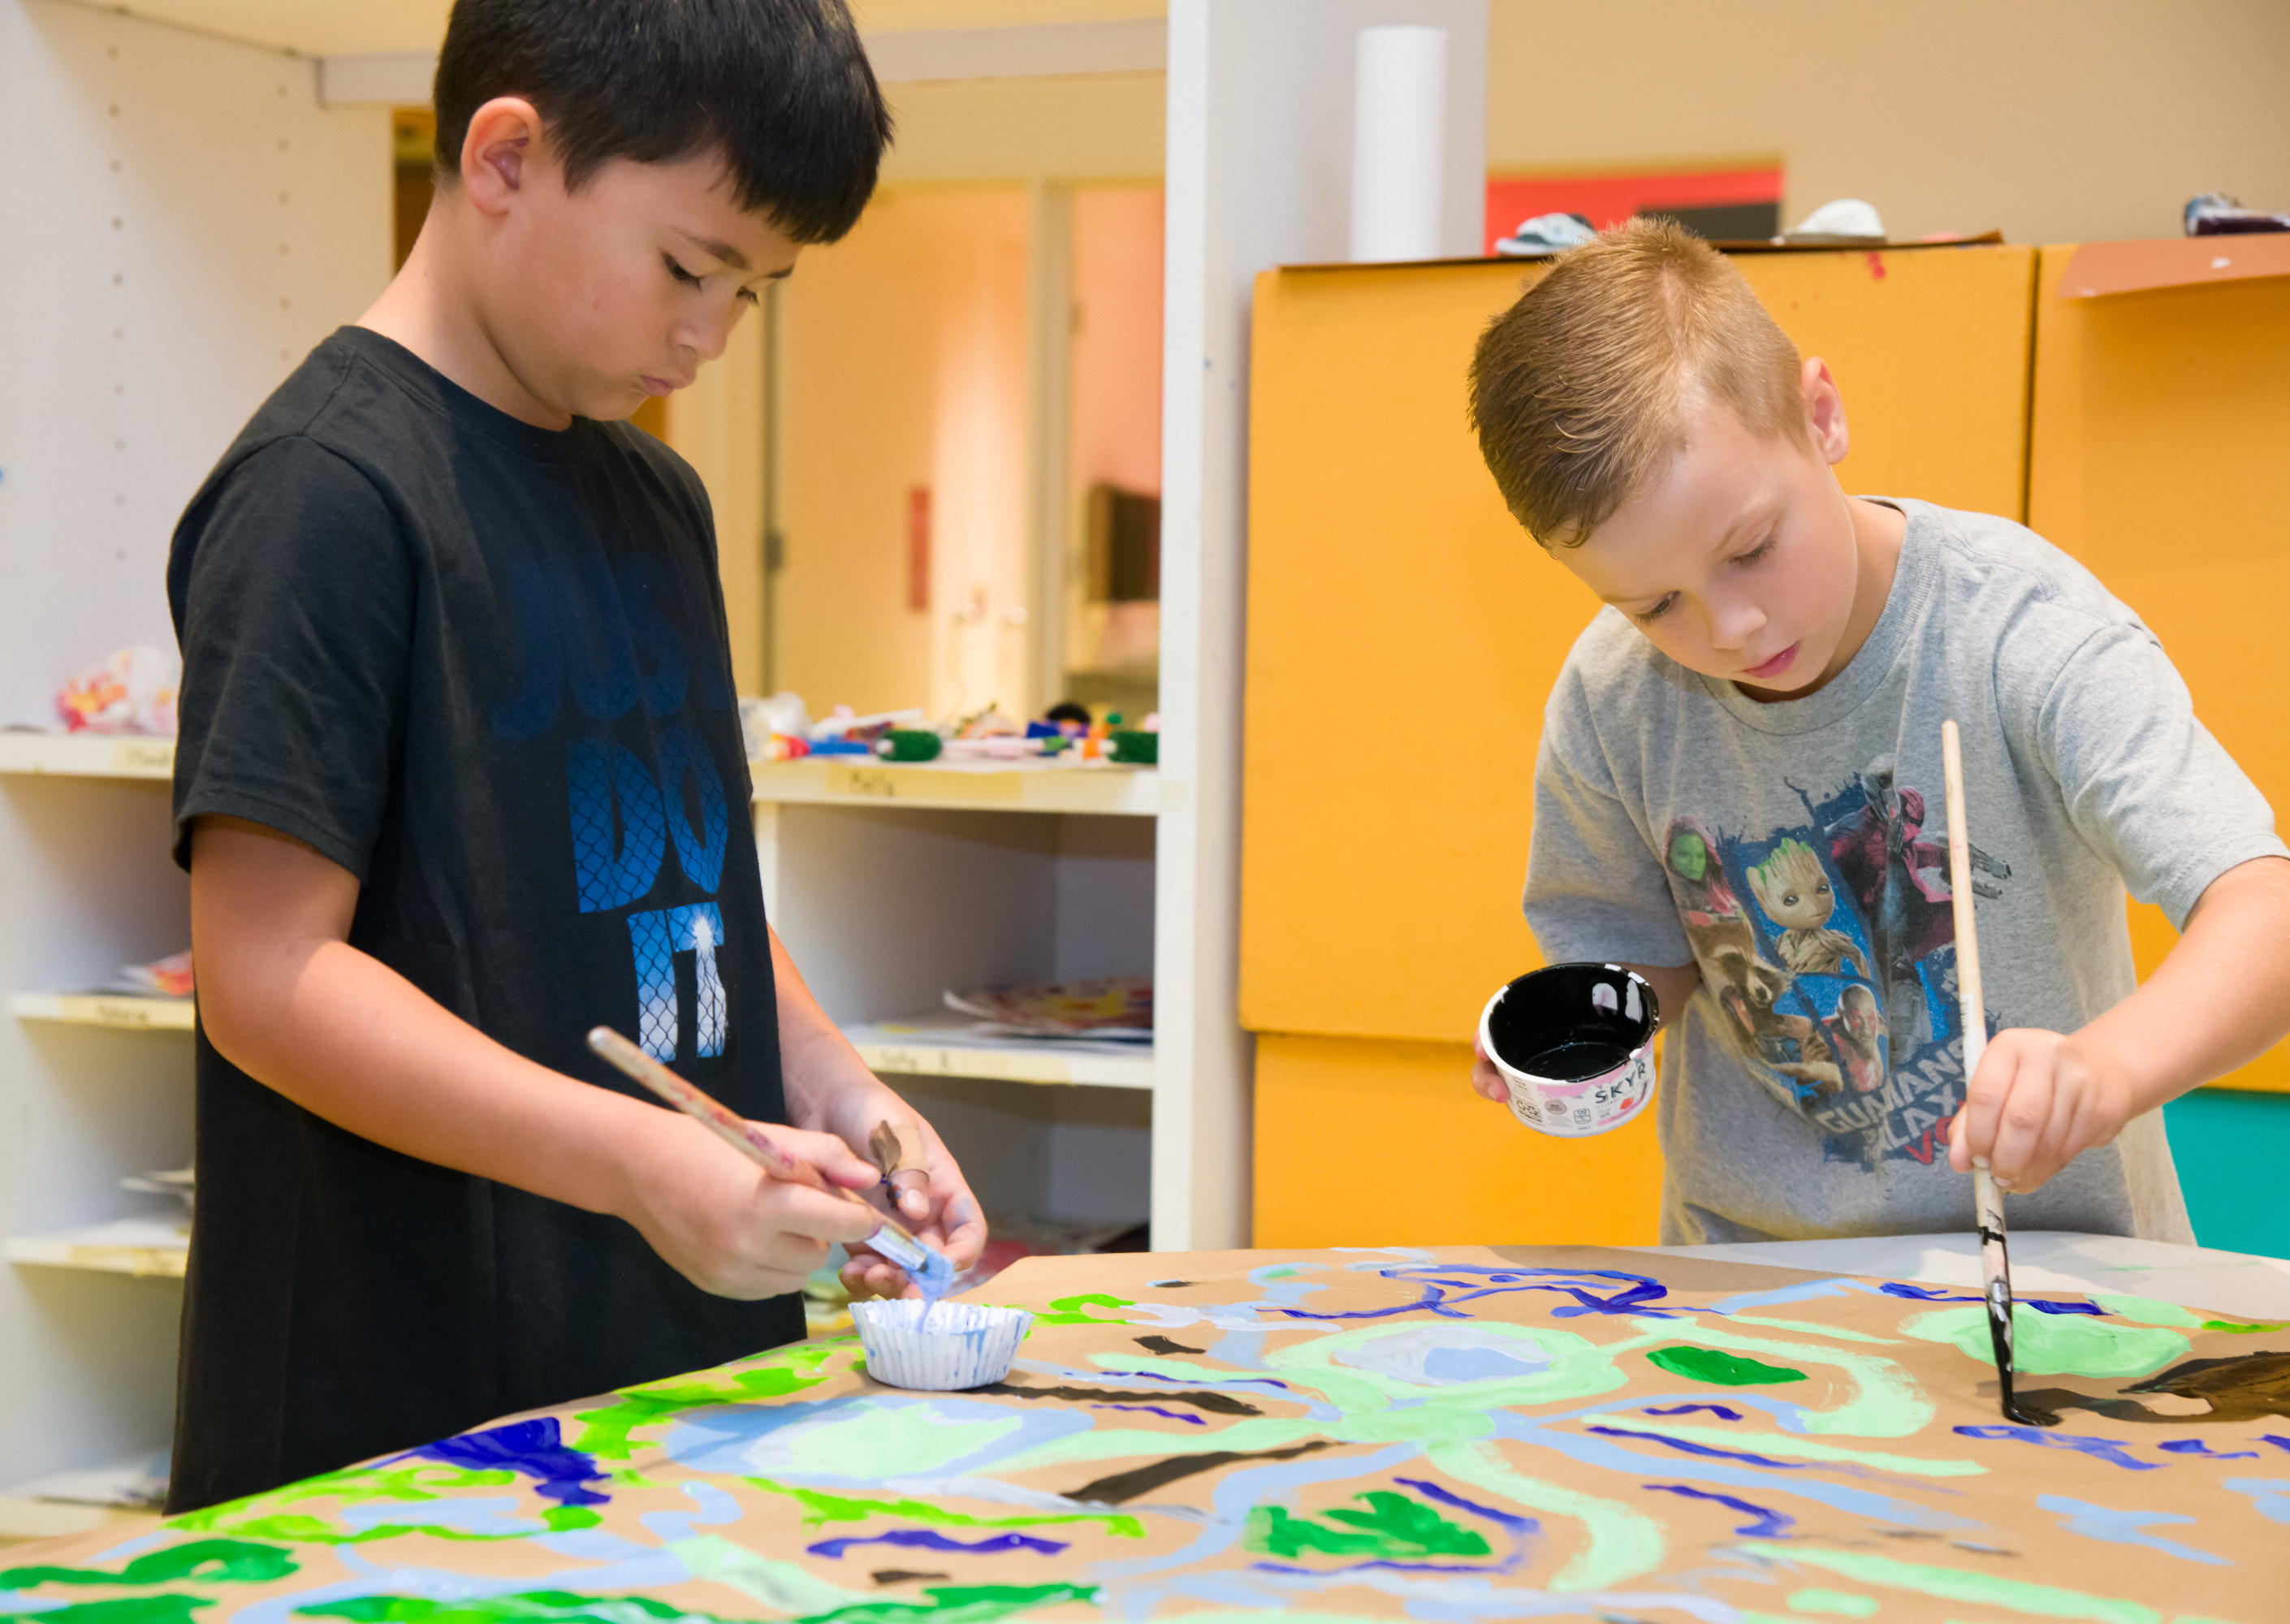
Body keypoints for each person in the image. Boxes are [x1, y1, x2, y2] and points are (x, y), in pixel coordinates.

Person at [165, 0, 983, 1512]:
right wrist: (635, 1164)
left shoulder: (658, 502)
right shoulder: (326, 493)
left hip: (676, 1368)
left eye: (756, 294)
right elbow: (268, 980)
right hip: (409, 1419)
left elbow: (681, 880)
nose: (708, 336)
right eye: (688, 266)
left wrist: (836, 1085)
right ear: (505, 158)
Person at [1463, 218, 2290, 1245]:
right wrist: (1581, 1037)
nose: (1731, 627)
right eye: (1655, 605)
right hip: (1754, 1293)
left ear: (1820, 416)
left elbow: (2266, 909)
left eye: (1753, 548)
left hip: (2052, 1280)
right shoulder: (1613, 697)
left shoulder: (2022, 630)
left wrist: (2105, 1066)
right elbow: (1643, 961)